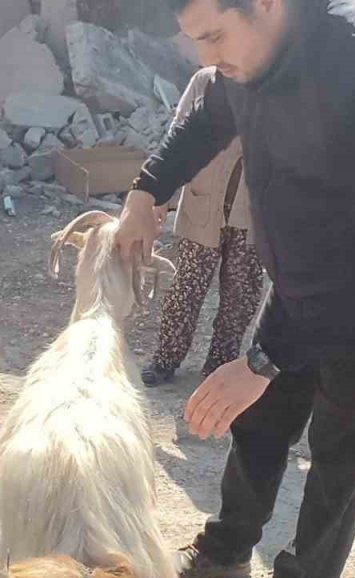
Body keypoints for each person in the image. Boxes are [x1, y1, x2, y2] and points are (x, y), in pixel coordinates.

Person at [115, 0, 355, 578]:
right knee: (262, 424)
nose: (206, 58)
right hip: (305, 278)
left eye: (214, 36)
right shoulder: (244, 61)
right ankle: (226, 546)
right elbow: (205, 119)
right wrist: (146, 191)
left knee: (338, 455)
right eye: (195, 42)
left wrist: (263, 359)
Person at [142, 67, 265, 388]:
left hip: (252, 213)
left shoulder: (277, 82)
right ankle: (166, 359)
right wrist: (159, 197)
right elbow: (178, 138)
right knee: (186, 288)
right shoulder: (206, 80)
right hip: (203, 204)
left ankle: (219, 367)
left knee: (241, 295)